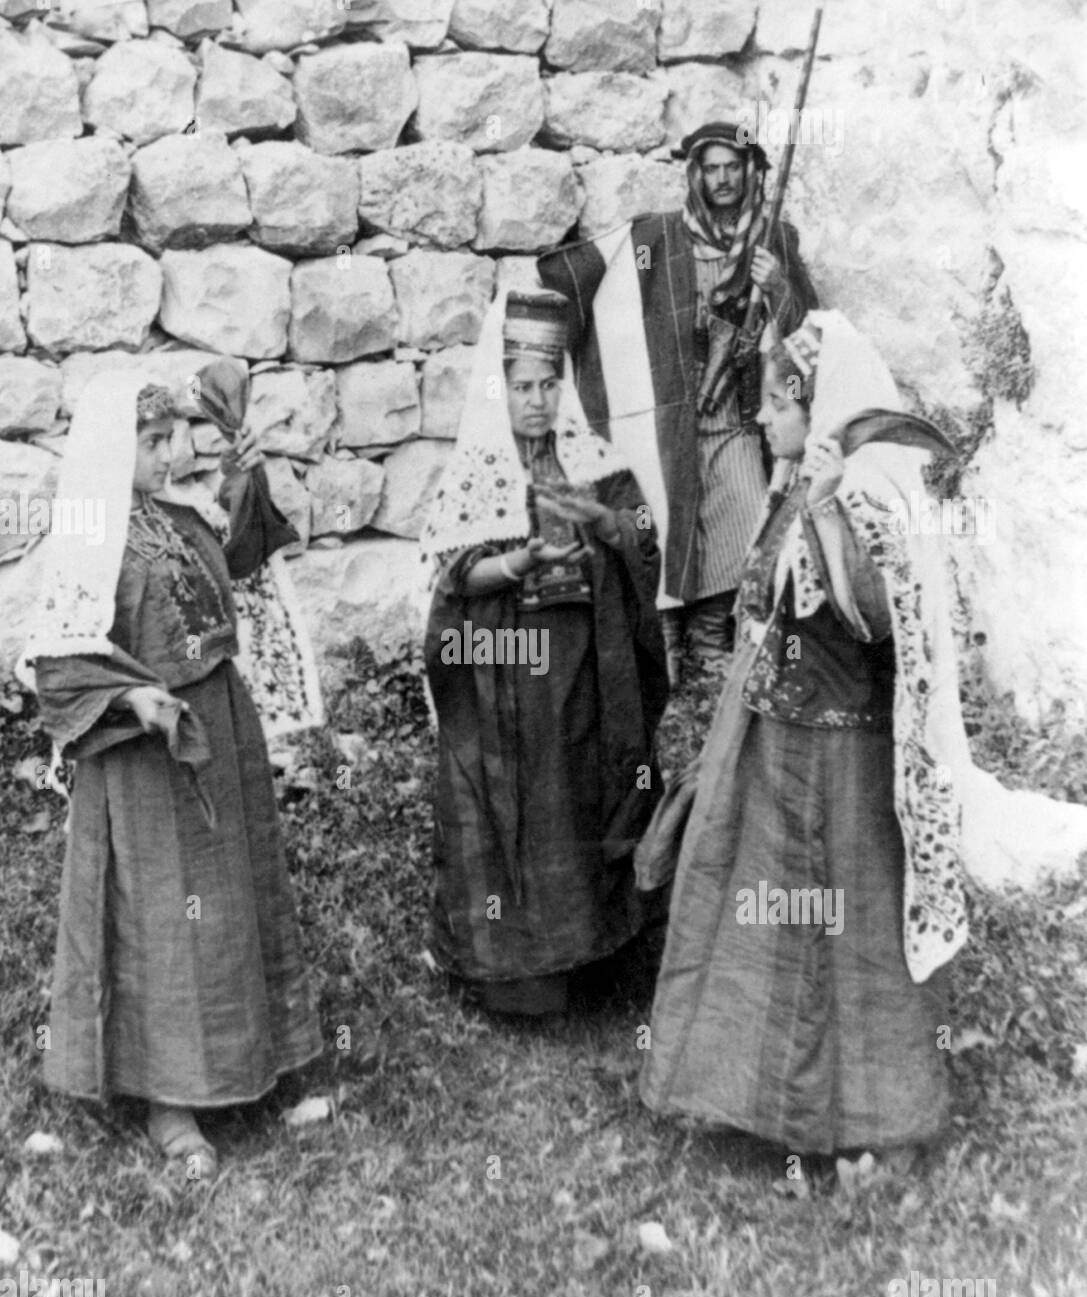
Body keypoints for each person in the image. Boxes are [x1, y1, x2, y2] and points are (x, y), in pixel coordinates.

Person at [638, 310, 1009, 1165]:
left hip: (844, 760)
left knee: (847, 937)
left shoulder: (869, 500)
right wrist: (806, 500)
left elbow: (874, 620)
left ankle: (861, 1120)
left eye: (776, 405)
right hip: (770, 751)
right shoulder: (785, 490)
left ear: (820, 409)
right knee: (756, 921)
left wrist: (832, 510)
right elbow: (762, 607)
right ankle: (749, 1101)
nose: (762, 420)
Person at [20, 374, 322, 1176]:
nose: (171, 452)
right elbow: (61, 665)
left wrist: (243, 479)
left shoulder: (180, 518)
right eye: (151, 442)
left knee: (231, 901)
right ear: (111, 449)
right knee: (166, 922)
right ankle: (170, 1102)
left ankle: (250, 1064)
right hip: (145, 756)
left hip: (220, 729)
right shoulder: (90, 539)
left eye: (171, 437)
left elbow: (242, 563)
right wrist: (135, 698)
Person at [419, 289, 668, 1016]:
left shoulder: (593, 462)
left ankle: (593, 953)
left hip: (588, 667)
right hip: (508, 670)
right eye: (522, 387)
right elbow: (456, 573)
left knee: (584, 799)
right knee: (516, 809)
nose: (535, 401)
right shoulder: (480, 472)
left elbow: (643, 538)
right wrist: (520, 564)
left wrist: (608, 526)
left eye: (547, 385)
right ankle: (517, 974)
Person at [539, 120, 818, 688]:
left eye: (732, 168)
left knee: (745, 520)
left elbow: (810, 333)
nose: (721, 180)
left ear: (750, 172)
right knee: (662, 523)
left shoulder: (776, 240)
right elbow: (612, 289)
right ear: (695, 174)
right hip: (670, 415)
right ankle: (663, 641)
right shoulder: (660, 239)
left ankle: (713, 639)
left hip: (739, 414)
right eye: (710, 169)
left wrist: (778, 288)